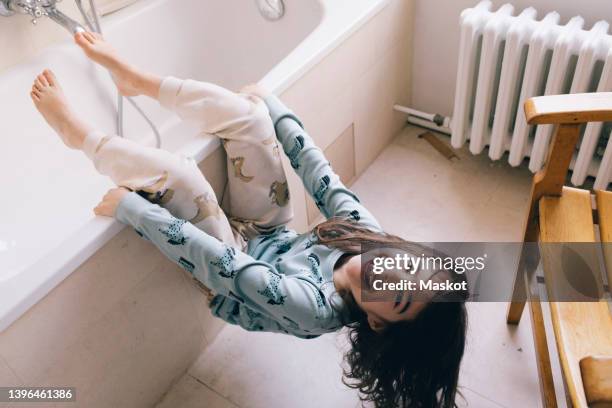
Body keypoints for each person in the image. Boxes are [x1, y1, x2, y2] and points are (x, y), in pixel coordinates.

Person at [30, 31, 468, 408]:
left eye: (399, 298)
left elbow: (227, 266)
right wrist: (275, 107)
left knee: (184, 175)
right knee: (250, 117)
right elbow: (322, 177)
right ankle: (136, 80)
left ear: (376, 323)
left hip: (227, 277)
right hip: (269, 232)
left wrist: (133, 210)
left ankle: (78, 135)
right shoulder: (368, 239)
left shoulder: (314, 310)